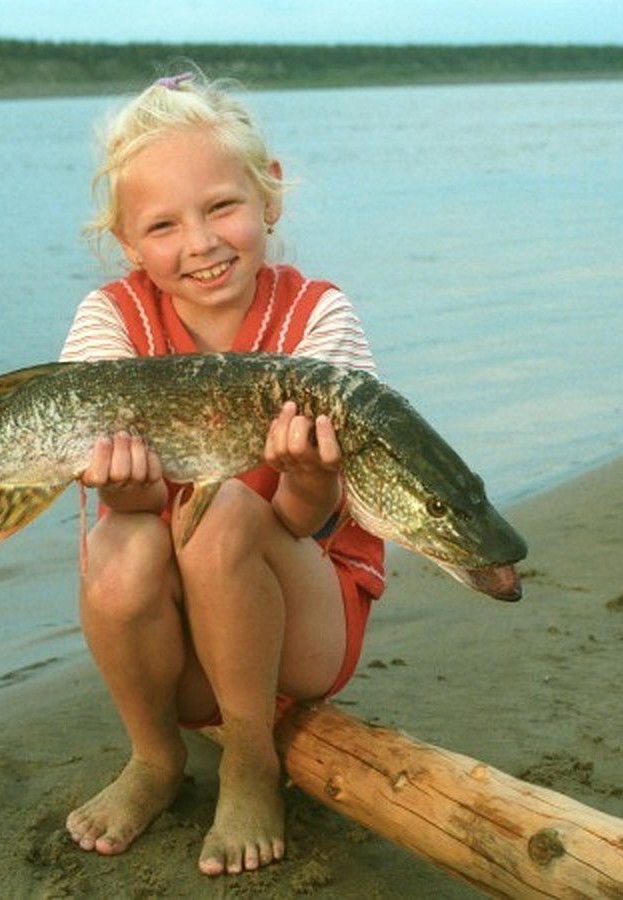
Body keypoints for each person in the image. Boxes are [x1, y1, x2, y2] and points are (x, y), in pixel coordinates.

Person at [59, 69, 385, 877]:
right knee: (125, 541)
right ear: (129, 243)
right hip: (179, 662)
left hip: (297, 639)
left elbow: (316, 515)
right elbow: (119, 499)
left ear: (269, 195)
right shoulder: (110, 320)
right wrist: (125, 486)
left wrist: (304, 476)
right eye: (163, 225)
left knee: (233, 512)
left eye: (222, 208)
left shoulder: (319, 317)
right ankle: (154, 756)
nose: (201, 243)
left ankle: (250, 761)